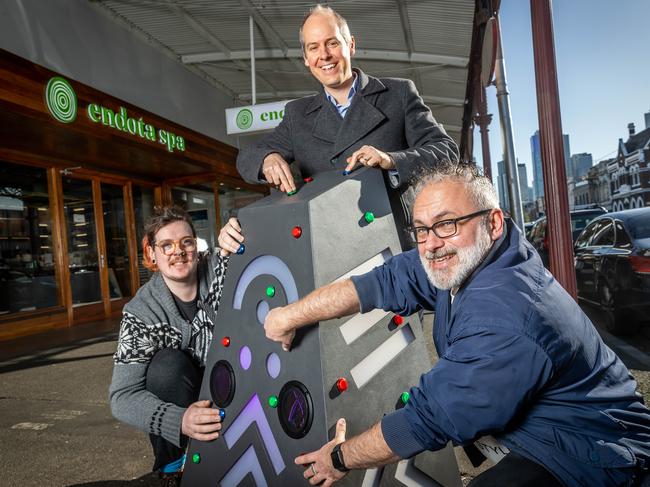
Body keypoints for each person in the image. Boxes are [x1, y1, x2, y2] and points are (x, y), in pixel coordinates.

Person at [264, 161, 650, 486]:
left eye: (447, 224)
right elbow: (379, 282)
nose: (431, 243)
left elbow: (429, 419)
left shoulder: (506, 314)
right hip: (542, 433)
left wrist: (340, 459)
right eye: (421, 229)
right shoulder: (468, 256)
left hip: (592, 453)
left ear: (493, 222)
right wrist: (289, 315)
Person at [236, 4, 459, 247]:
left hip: (395, 242)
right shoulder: (297, 114)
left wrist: (391, 160)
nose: (324, 55)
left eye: (332, 43)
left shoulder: (399, 93)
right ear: (306, 59)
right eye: (314, 47)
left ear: (350, 45)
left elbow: (446, 151)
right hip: (331, 247)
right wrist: (267, 158)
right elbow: (247, 156)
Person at [109, 206, 244, 486]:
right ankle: (173, 468)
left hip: (233, 384)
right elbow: (121, 397)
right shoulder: (141, 313)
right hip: (183, 400)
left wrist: (238, 225)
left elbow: (253, 239)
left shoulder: (221, 267)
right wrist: (180, 420)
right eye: (166, 245)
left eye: (186, 242)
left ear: (197, 246)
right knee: (164, 366)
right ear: (152, 255)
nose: (178, 252)